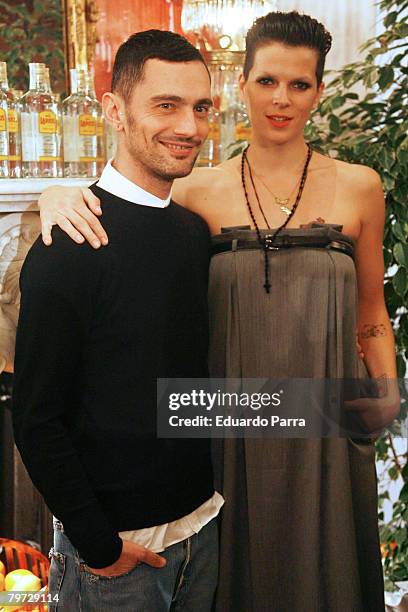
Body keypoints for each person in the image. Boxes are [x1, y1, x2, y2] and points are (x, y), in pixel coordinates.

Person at [37, 11, 399, 612]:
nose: (281, 99)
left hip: (325, 422)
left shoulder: (361, 186)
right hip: (225, 423)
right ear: (242, 85)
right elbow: (127, 202)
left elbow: (371, 308)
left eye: (299, 84)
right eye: (266, 81)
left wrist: (386, 392)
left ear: (319, 91)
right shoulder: (196, 189)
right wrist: (59, 193)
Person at [12, 30, 224, 612]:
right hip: (115, 556)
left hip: (201, 527)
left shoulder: (190, 232)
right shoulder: (69, 244)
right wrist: (100, 546)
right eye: (166, 105)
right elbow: (35, 419)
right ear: (114, 111)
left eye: (200, 107)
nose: (189, 127)